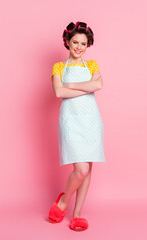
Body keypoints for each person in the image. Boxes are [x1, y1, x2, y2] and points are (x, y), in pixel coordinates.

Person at [48, 21, 106, 231]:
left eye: (83, 43)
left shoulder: (91, 65)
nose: (79, 47)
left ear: (87, 44)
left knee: (88, 169)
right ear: (68, 42)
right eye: (75, 42)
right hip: (71, 120)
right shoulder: (59, 67)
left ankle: (77, 214)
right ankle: (63, 201)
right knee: (79, 170)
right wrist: (85, 87)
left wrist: (70, 85)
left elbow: (98, 85)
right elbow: (58, 92)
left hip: (91, 119)